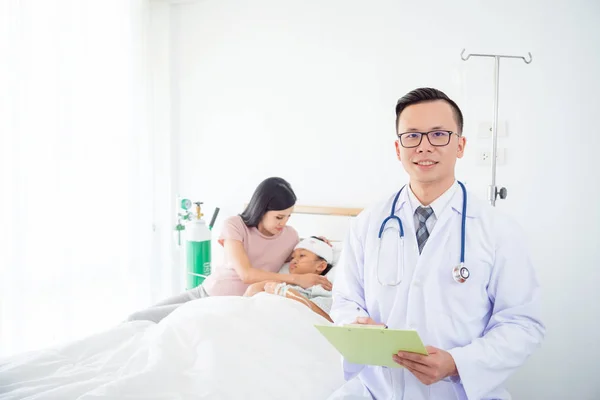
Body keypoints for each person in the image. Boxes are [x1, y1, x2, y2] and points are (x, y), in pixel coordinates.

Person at [328, 88, 545, 399]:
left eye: (439, 134)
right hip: (378, 390)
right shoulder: (367, 223)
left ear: (461, 145)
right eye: (412, 136)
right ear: (397, 147)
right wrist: (356, 326)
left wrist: (458, 363)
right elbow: (346, 301)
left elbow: (522, 323)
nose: (424, 147)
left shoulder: (498, 229)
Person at [127, 177, 332, 323]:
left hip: (226, 308)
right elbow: (246, 274)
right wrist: (297, 280)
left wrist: (317, 243)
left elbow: (301, 258)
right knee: (136, 319)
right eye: (279, 217)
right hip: (205, 293)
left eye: (289, 216)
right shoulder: (235, 225)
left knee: (148, 325)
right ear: (261, 209)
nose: (284, 222)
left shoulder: (290, 236)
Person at [244, 236, 335, 322]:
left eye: (302, 255)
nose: (294, 260)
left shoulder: (324, 290)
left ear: (321, 266)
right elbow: (252, 291)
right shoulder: (282, 284)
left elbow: (326, 319)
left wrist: (286, 292)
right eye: (292, 257)